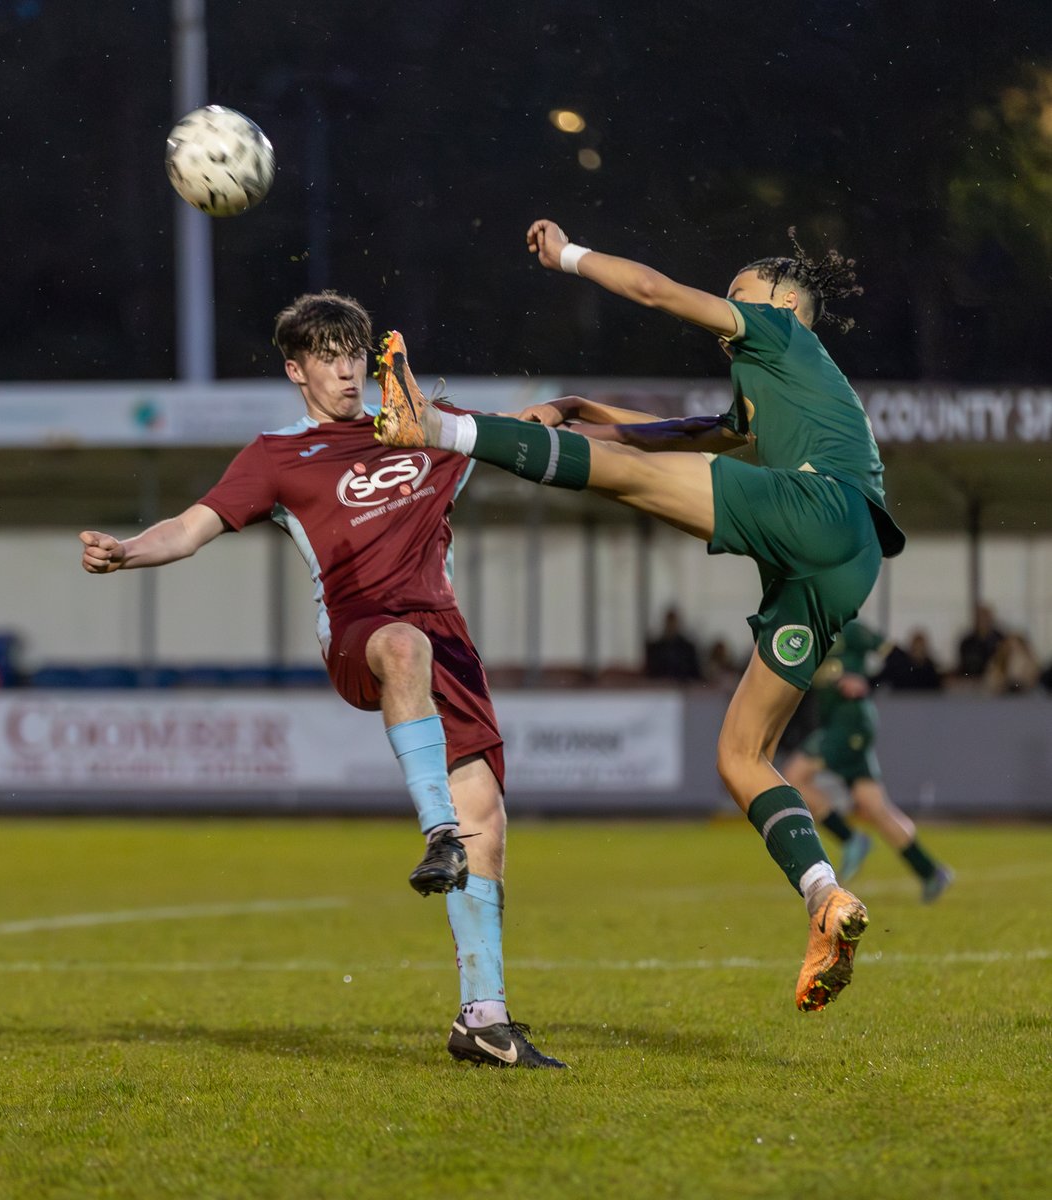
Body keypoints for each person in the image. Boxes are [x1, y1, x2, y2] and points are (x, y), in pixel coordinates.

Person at [376, 218, 908, 1013]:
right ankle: (825, 896)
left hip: (822, 508)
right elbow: (683, 435)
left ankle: (438, 428)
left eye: (741, 292)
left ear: (785, 304)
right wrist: (578, 409)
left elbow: (657, 292)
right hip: (844, 561)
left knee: (621, 480)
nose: (728, 303)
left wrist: (569, 257)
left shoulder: (783, 335)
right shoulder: (770, 391)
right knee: (740, 756)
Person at [78, 290, 564, 1069]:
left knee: (492, 822)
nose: (347, 372)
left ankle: (484, 1017)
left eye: (354, 356)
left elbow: (541, 423)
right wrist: (128, 550)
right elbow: (191, 527)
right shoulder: (276, 455)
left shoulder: (421, 427)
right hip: (363, 631)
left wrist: (645, 429)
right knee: (406, 655)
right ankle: (436, 834)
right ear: (296, 370)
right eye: (329, 358)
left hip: (450, 644)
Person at [780, 619, 953, 902]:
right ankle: (930, 872)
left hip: (850, 723)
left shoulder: (851, 630)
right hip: (836, 724)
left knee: (794, 777)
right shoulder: (809, 639)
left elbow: (899, 658)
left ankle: (850, 838)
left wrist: (868, 683)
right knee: (875, 806)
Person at [645, 605, 703, 681]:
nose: (671, 625)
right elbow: (651, 673)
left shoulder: (688, 648)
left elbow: (695, 674)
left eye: (673, 622)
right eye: (669, 622)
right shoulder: (655, 648)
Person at [876, 629, 944, 691]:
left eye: (921, 647)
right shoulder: (898, 666)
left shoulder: (930, 669)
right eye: (916, 647)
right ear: (911, 647)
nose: (918, 650)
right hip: (900, 701)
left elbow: (937, 689)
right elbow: (880, 679)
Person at [956, 603, 1004, 682]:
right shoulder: (967, 642)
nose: (983, 620)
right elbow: (963, 665)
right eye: (980, 617)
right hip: (972, 681)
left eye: (986, 617)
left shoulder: (1001, 639)